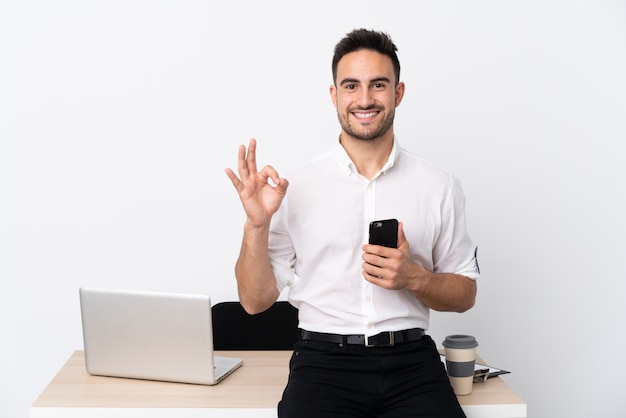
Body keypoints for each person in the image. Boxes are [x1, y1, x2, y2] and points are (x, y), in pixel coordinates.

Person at [225, 28, 479, 418]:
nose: (364, 100)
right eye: (351, 86)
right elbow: (255, 302)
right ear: (334, 96)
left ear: (398, 93)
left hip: (412, 363)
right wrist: (256, 226)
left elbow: (465, 293)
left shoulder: (440, 186)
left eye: (378, 85)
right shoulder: (294, 186)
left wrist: (415, 278)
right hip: (323, 365)